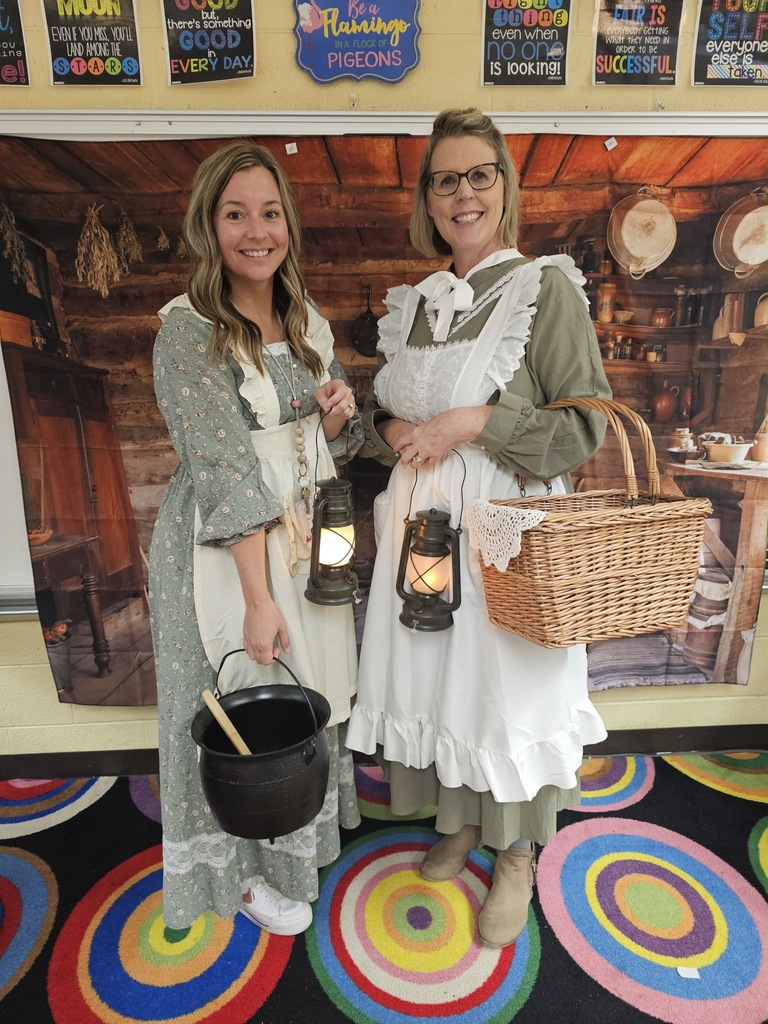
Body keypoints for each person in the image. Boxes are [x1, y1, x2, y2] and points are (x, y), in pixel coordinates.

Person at [345, 108, 612, 948]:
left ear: (505, 186)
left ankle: (517, 856)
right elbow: (382, 419)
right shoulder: (416, 304)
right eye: (445, 178)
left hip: (507, 531)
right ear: (429, 197)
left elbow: (585, 428)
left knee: (506, 690)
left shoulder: (546, 287)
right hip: (420, 528)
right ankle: (461, 823)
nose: (463, 193)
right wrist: (390, 433)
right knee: (438, 682)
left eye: (479, 175)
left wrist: (475, 424)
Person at [148, 142, 363, 936]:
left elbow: (327, 434)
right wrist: (257, 597)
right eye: (235, 213)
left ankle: (295, 845)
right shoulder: (188, 330)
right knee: (245, 697)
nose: (256, 231)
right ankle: (240, 876)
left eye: (269, 212)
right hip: (227, 545)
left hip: (302, 533)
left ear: (288, 223)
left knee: (299, 701)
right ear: (209, 225)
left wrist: (337, 416)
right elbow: (225, 469)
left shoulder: (304, 321)